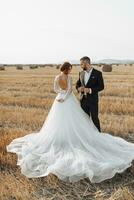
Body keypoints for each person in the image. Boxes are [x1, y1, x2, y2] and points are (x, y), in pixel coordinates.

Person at [6, 61, 134, 183]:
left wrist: (60, 95)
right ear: (68, 69)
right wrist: (65, 97)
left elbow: (56, 89)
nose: (71, 70)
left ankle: (61, 138)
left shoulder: (57, 77)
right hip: (67, 100)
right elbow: (69, 91)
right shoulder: (70, 78)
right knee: (74, 119)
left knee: (58, 121)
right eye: (70, 68)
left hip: (59, 99)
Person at [76, 56, 104, 132]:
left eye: (82, 64)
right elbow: (77, 84)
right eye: (80, 64)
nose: (81, 66)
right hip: (83, 100)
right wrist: (79, 88)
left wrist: (90, 90)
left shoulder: (98, 73)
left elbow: (101, 86)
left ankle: (98, 135)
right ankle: (86, 135)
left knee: (94, 118)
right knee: (84, 119)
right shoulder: (81, 73)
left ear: (87, 63)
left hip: (93, 100)